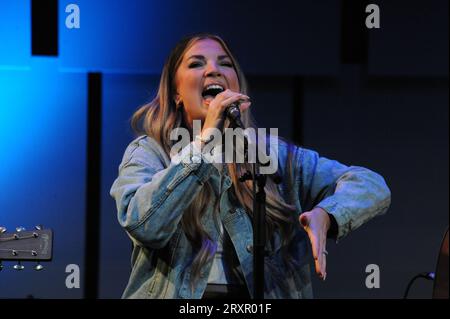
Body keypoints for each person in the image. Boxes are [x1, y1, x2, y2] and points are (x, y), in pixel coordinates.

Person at [110, 33, 391, 299]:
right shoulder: (151, 152)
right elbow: (144, 224)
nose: (213, 70)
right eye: (196, 63)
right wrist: (205, 141)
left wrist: (328, 214)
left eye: (225, 63)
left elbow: (370, 184)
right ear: (176, 94)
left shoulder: (271, 155)